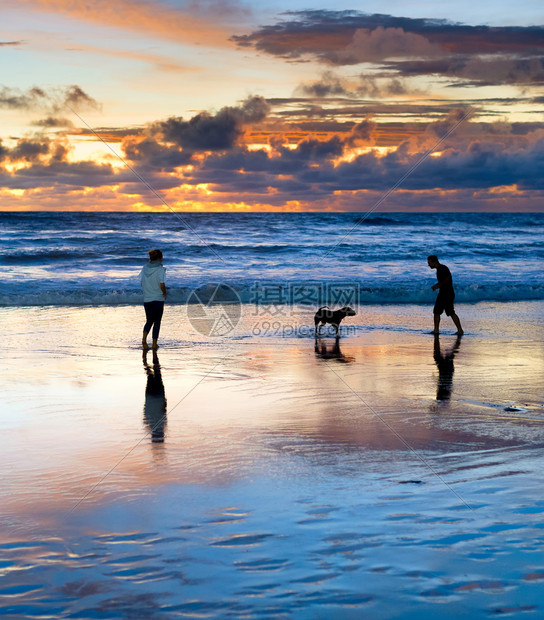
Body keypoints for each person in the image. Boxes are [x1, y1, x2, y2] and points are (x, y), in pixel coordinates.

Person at [427, 255, 463, 335]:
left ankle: (436, 330)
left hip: (445, 293)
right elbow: (445, 280)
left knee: (437, 311)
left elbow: (447, 279)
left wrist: (437, 286)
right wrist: (438, 285)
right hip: (448, 293)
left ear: (434, 261)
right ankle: (460, 330)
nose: (428, 265)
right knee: (450, 312)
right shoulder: (442, 268)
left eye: (429, 263)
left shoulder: (441, 269)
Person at [140, 249, 167, 349]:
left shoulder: (144, 268)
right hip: (158, 298)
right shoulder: (161, 269)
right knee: (157, 321)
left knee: (149, 320)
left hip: (147, 298)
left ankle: (144, 339)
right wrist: (164, 293)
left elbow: (142, 282)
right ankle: (154, 343)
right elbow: (162, 284)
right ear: (160, 258)